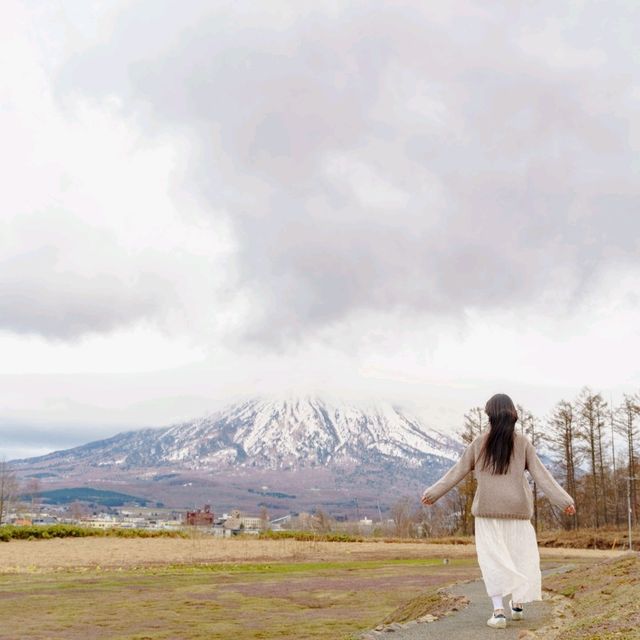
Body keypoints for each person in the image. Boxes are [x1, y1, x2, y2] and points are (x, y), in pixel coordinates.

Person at [421, 393, 576, 629]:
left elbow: (456, 472)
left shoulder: (478, 444)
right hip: (518, 512)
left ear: (490, 416)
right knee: (520, 557)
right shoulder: (523, 443)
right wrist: (564, 501)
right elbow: (542, 476)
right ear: (512, 415)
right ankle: (518, 605)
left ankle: (498, 612)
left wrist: (432, 493)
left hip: (487, 512)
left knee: (493, 560)